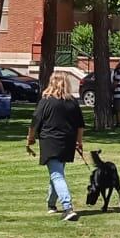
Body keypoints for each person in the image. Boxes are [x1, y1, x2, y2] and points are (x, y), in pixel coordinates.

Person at [27, 74, 86, 222]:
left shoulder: (46, 101)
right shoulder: (72, 102)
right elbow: (80, 125)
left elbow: (35, 122)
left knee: (57, 175)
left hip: (50, 141)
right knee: (57, 172)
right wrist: (79, 142)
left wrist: (30, 139)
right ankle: (51, 204)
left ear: (51, 83)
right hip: (67, 142)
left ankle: (67, 207)